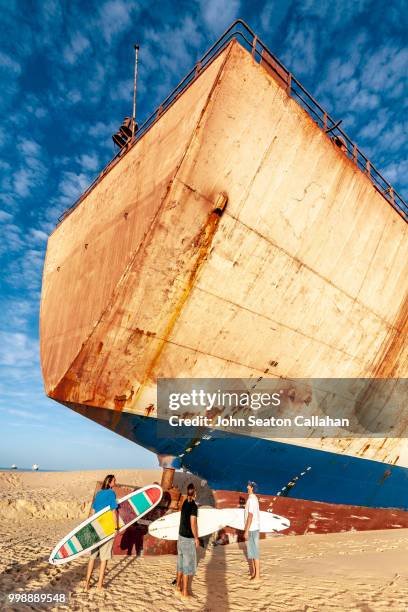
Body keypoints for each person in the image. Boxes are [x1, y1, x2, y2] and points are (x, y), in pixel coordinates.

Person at [85, 474, 119, 590]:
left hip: (95, 527)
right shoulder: (111, 493)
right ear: (110, 482)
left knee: (92, 557)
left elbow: (93, 511)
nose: (116, 482)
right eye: (114, 480)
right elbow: (114, 511)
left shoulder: (99, 493)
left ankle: (86, 584)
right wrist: (115, 528)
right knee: (104, 558)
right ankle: (99, 585)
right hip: (107, 528)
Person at [176, 483, 200, 598]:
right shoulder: (194, 506)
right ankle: (185, 592)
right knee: (186, 566)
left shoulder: (185, 502)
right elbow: (193, 523)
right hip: (188, 539)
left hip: (180, 537)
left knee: (180, 564)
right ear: (194, 492)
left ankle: (178, 587)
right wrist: (196, 538)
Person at [244, 480, 260, 580]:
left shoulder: (252, 500)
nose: (247, 487)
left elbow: (250, 515)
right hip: (252, 528)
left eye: (248, 486)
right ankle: (254, 573)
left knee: (255, 552)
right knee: (252, 552)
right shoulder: (251, 499)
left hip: (252, 528)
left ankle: (257, 576)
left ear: (252, 488)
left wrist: (246, 530)